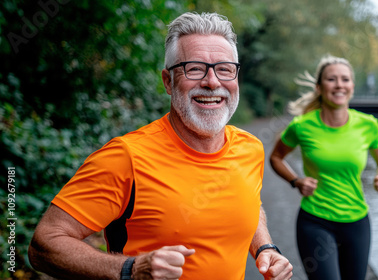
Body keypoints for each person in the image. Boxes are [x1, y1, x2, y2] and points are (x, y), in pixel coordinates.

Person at [28, 12, 293, 280]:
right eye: (195, 68)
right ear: (168, 81)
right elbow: (44, 245)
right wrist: (129, 269)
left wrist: (264, 248)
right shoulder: (126, 156)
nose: (212, 82)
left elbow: (249, 202)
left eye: (224, 69)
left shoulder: (250, 148)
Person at [269, 54, 378, 280]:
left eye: (345, 79)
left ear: (352, 86)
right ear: (319, 87)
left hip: (357, 223)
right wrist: (296, 181)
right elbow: (276, 157)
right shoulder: (302, 126)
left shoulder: (368, 125)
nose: (339, 85)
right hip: (315, 222)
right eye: (331, 79)